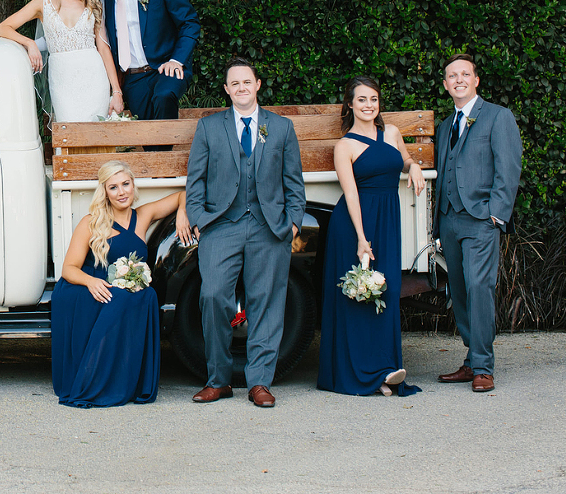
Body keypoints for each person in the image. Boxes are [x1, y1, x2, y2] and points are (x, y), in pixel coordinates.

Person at [185, 57, 305, 408]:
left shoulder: (280, 128)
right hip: (222, 225)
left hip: (269, 227)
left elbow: (294, 183)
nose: (241, 88)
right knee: (212, 297)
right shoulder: (209, 128)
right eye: (234, 83)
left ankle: (260, 383)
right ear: (226, 89)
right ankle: (219, 380)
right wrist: (199, 218)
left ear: (257, 85)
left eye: (246, 82)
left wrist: (292, 222)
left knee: (266, 302)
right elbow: (196, 181)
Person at [317, 76, 425, 397]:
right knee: (358, 297)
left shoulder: (390, 133)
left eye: (374, 99)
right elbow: (350, 193)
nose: (369, 105)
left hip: (388, 221)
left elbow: (403, 160)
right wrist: (362, 239)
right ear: (350, 104)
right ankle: (362, 375)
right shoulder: (344, 146)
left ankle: (385, 370)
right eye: (362, 99)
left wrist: (414, 166)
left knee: (385, 293)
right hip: (355, 225)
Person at [51, 160, 185, 407]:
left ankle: (128, 380)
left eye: (126, 184)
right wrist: (91, 282)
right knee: (124, 297)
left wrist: (183, 216)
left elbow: (181, 196)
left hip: (121, 289)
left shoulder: (143, 215)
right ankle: (97, 381)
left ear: (133, 185)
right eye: (114, 187)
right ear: (105, 192)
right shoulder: (91, 222)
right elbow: (68, 269)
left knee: (148, 296)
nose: (122, 192)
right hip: (85, 287)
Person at [432, 54, 523, 393]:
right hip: (450, 222)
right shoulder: (445, 126)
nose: (458, 79)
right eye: (452, 75)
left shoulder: (498, 117)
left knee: (479, 289)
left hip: (481, 221)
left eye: (464, 74)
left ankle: (484, 366)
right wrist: (438, 226)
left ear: (475, 80)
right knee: (459, 291)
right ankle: (472, 360)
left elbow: (509, 167)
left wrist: (496, 214)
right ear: (445, 84)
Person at [0, 0, 124, 122]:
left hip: (94, 79)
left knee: (97, 135)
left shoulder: (93, 4)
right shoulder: (43, 2)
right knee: (67, 132)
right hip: (62, 80)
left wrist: (116, 91)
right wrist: (30, 44)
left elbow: (103, 48)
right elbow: (2, 29)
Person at [100, 0, 202, 121]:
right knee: (148, 135)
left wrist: (177, 60)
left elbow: (190, 22)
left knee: (164, 96)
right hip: (133, 77)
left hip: (166, 67)